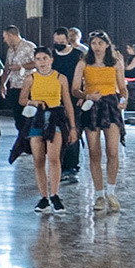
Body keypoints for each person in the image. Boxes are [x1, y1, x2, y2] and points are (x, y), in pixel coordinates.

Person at [14, 46, 76, 215]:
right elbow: (22, 99)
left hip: (55, 117)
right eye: (38, 59)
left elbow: (68, 103)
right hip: (37, 118)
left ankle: (55, 194)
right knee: (38, 159)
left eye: (44, 58)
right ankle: (43, 197)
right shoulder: (30, 78)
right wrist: (32, 102)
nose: (41, 62)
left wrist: (72, 127)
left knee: (54, 158)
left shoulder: (60, 78)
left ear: (51, 60)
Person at [76, 31, 125, 213]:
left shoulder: (115, 63)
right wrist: (87, 95)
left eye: (100, 43)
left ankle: (111, 192)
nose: (97, 47)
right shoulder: (84, 63)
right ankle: (99, 194)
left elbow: (122, 87)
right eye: (94, 43)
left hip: (111, 104)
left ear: (107, 44)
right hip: (92, 105)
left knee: (113, 151)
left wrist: (124, 99)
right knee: (94, 152)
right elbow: (75, 88)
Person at [48, 29, 85, 183]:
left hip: (74, 97)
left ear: (68, 40)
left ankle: (72, 167)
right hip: (55, 99)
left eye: (62, 42)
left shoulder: (78, 55)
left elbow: (85, 76)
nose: (59, 44)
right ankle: (59, 166)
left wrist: (82, 95)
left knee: (73, 130)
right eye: (56, 42)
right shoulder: (51, 56)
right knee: (57, 132)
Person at [0, 26, 35, 122]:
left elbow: (37, 63)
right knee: (17, 116)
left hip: (28, 87)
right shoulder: (10, 50)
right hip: (14, 86)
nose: (4, 40)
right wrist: (3, 84)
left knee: (28, 117)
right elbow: (7, 67)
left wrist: (21, 66)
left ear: (11, 35)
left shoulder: (29, 46)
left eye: (5, 37)